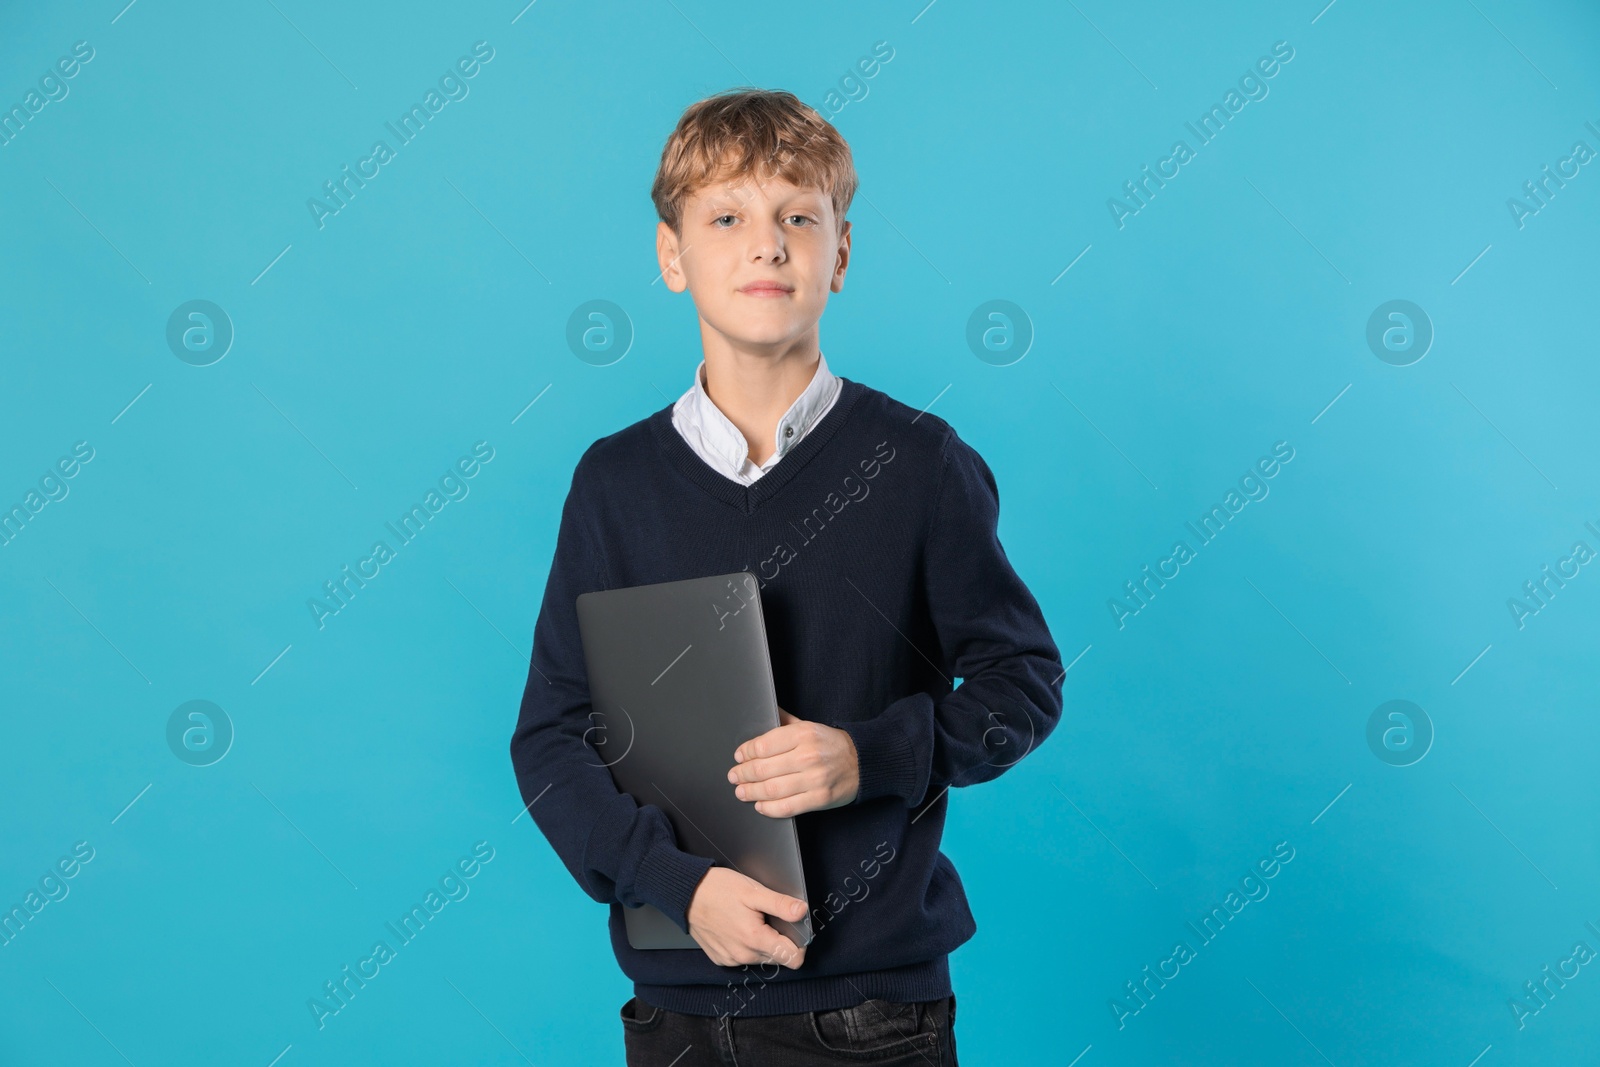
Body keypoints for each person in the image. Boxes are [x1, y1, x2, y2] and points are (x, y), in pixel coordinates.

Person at [509, 87, 1064, 1066]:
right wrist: (675, 884)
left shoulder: (921, 464)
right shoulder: (612, 483)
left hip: (872, 1016)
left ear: (839, 254)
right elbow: (552, 737)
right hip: (674, 1013)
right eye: (726, 217)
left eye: (797, 219)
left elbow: (1024, 685)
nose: (766, 246)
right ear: (671, 256)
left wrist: (873, 755)